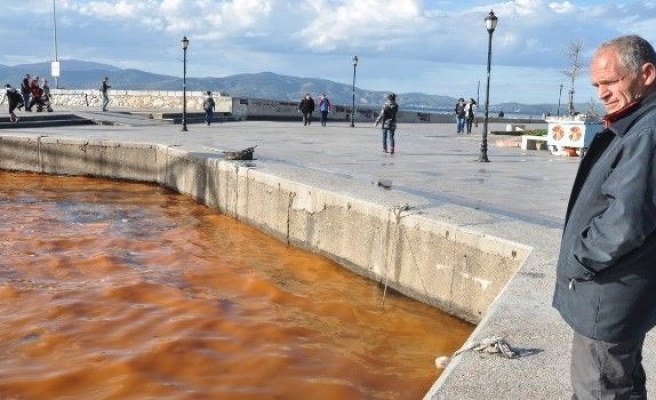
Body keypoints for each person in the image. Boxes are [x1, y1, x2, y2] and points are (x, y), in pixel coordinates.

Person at [552, 34, 656, 400]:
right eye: (597, 85)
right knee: (620, 383)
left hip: (609, 295)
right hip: (615, 294)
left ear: (646, 74)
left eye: (611, 82)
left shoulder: (647, 132)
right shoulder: (636, 122)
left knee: (600, 389)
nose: (602, 93)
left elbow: (625, 221)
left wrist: (578, 258)